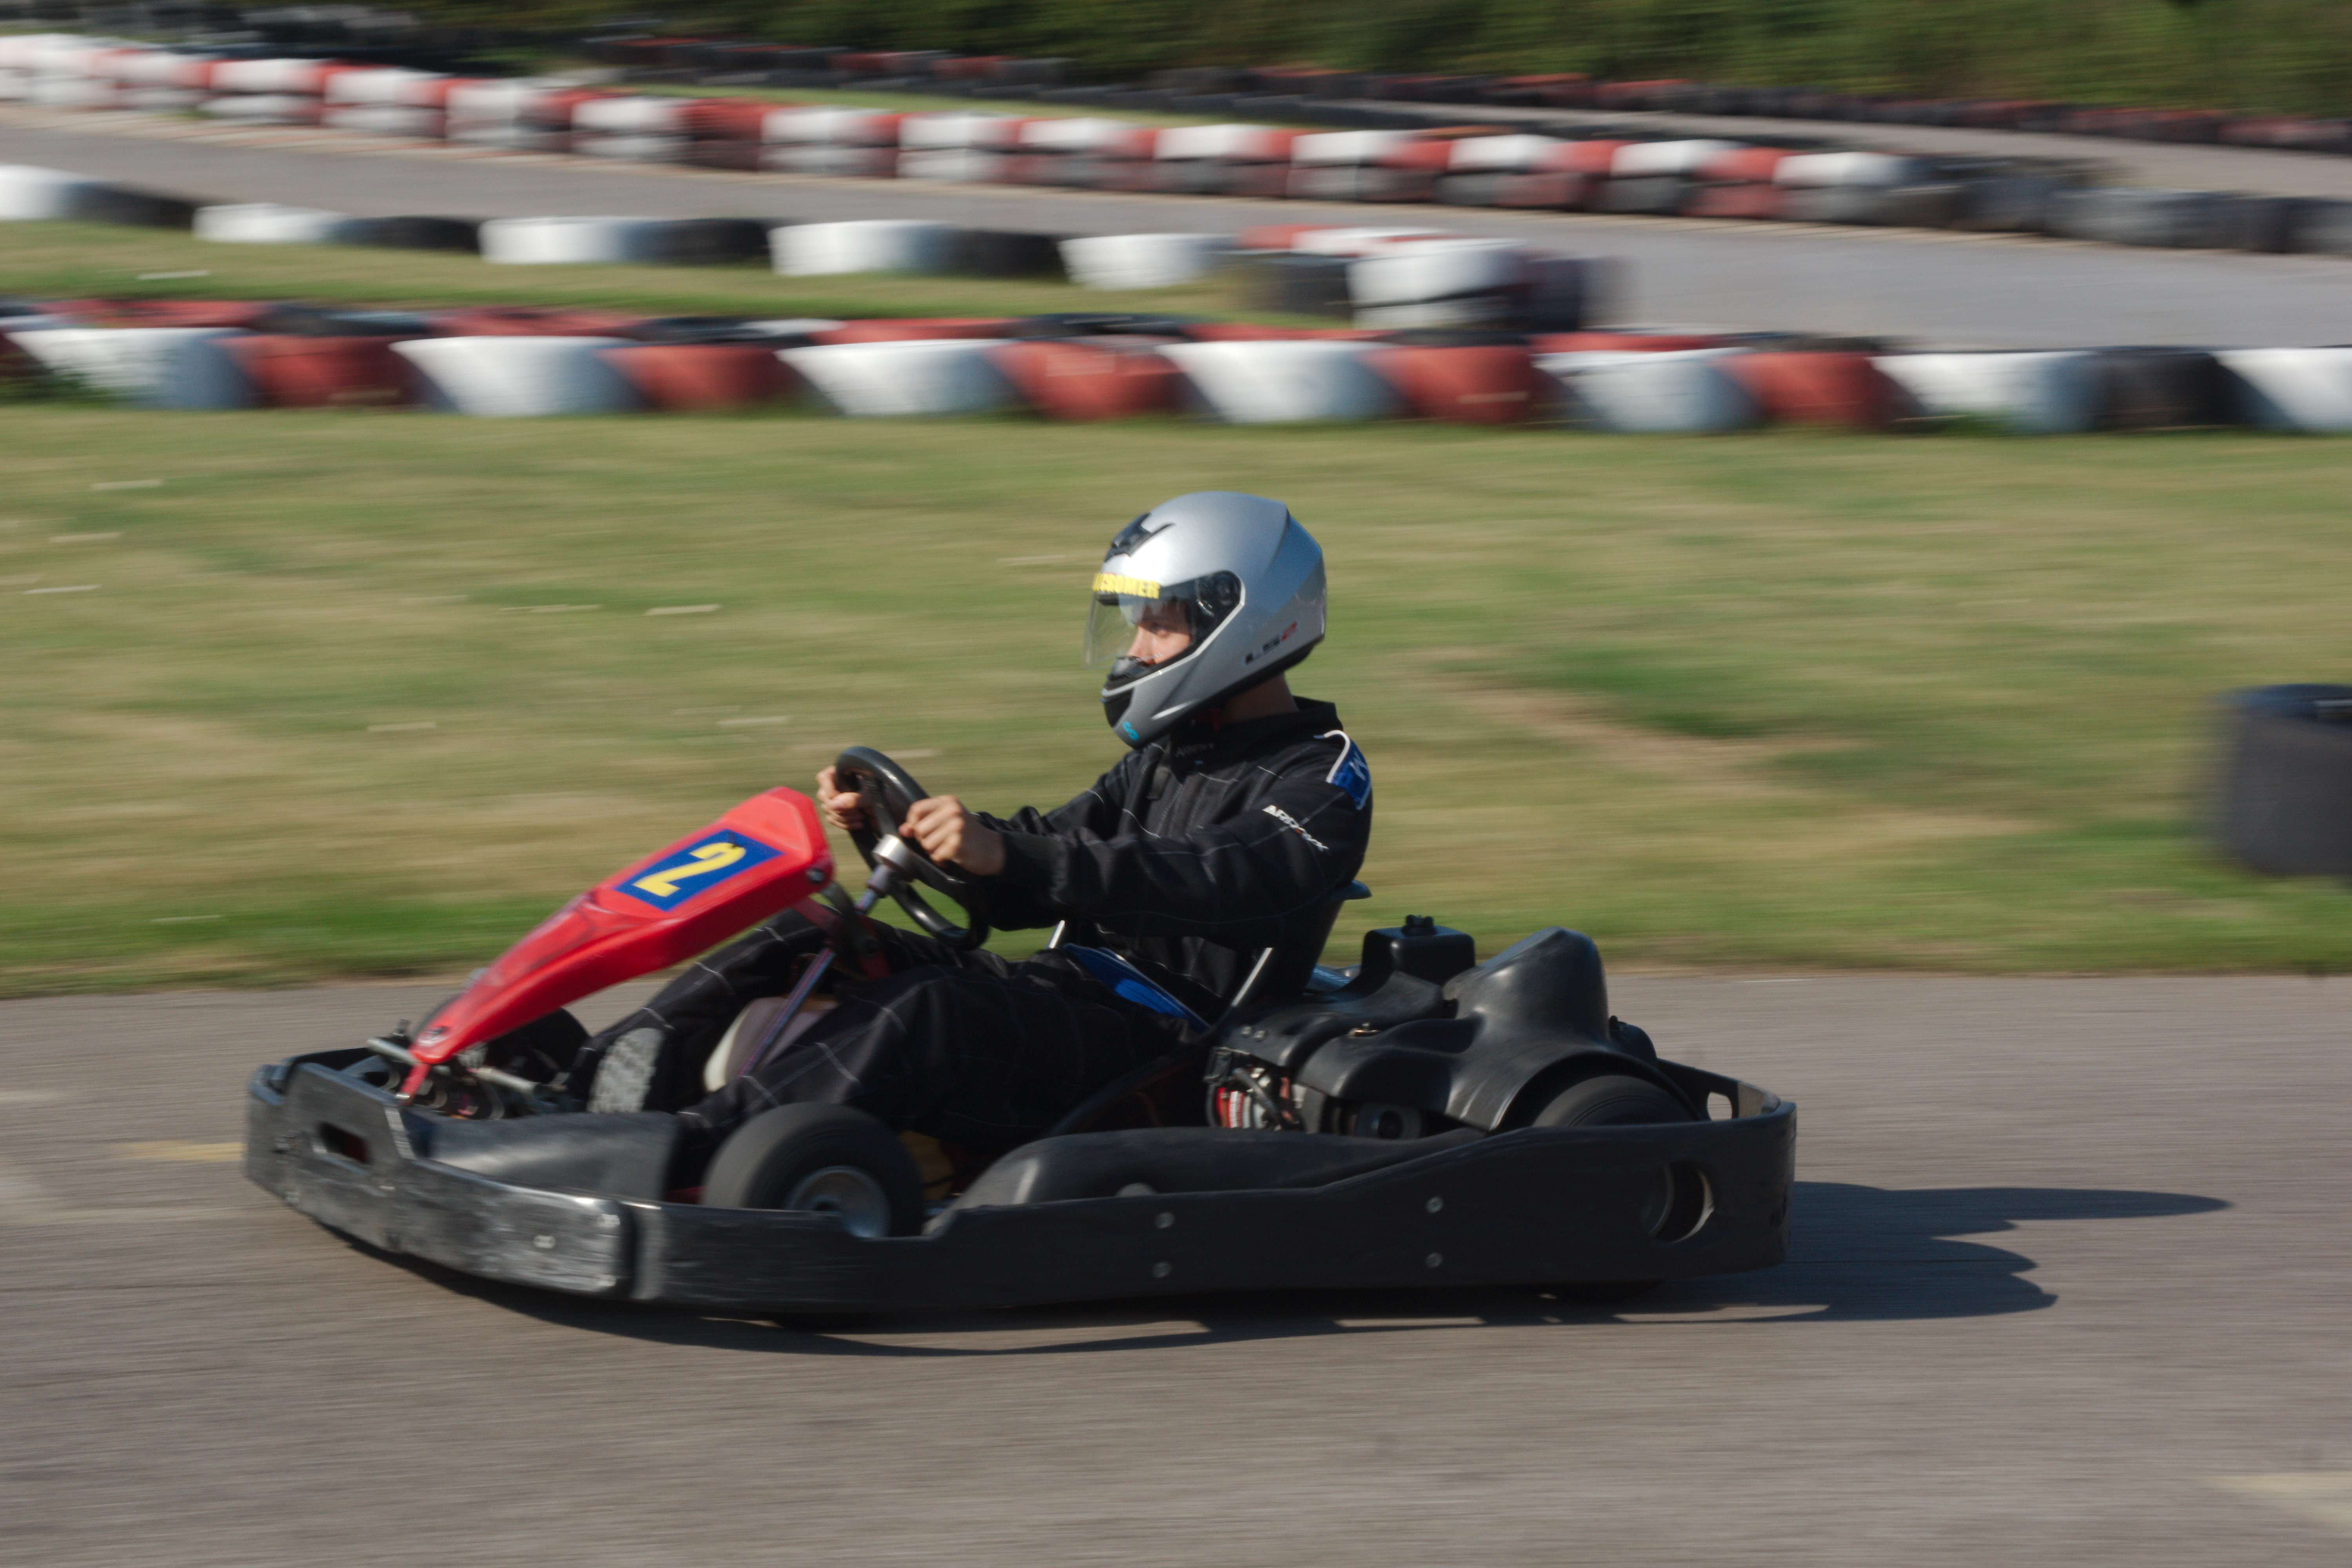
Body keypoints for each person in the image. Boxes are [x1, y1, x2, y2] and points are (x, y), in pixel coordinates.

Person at [580, 491, 1372, 1174]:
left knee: (929, 1009)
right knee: (812, 930)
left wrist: (1014, 854)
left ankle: (686, 1149)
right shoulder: (1170, 755)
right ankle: (581, 1084)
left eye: (1157, 626)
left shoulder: (1324, 776)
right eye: (1136, 623)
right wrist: (921, 832)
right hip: (1069, 994)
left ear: (1245, 624)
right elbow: (1049, 852)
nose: (1134, 649)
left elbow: (1210, 871)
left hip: (1166, 1043)